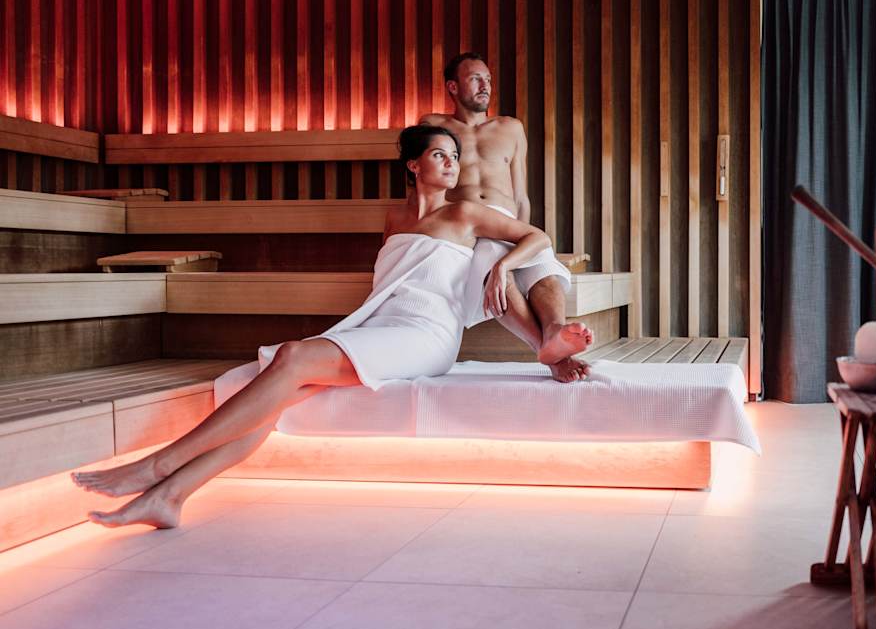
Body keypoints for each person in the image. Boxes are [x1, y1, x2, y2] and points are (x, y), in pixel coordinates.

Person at [71, 125, 554, 530]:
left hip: (426, 335)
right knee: (275, 390)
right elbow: (393, 284)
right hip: (381, 326)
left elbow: (536, 237)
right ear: (413, 165)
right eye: (439, 155)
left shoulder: (466, 213)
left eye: (454, 156)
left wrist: (503, 266)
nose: (451, 164)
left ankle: (158, 466)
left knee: (291, 357)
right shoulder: (394, 218)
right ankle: (170, 496)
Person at [415, 52, 593, 383]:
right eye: (475, 79)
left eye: (488, 79)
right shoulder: (434, 127)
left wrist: (524, 238)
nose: (485, 85)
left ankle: (554, 331)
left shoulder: (511, 128)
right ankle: (551, 354)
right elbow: (422, 184)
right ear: (452, 87)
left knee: (543, 266)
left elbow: (520, 195)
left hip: (507, 221)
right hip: (468, 225)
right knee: (495, 267)